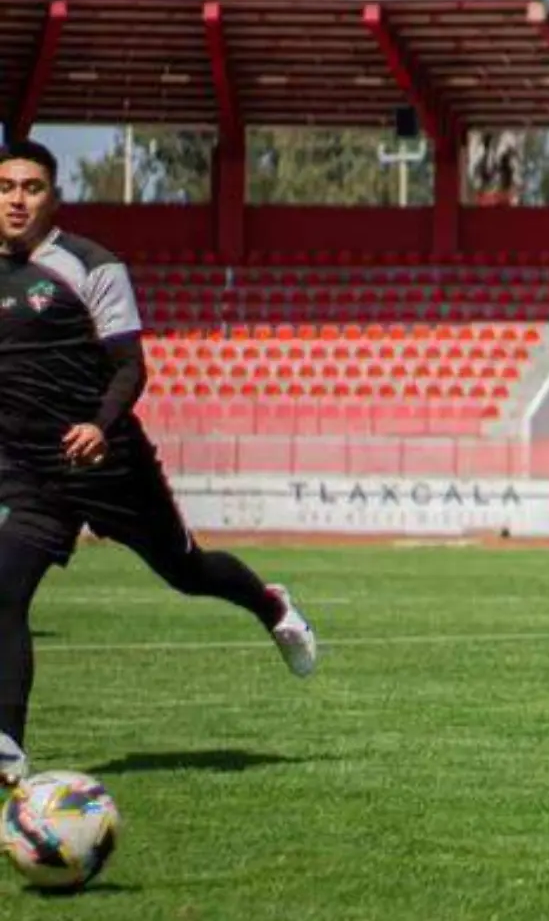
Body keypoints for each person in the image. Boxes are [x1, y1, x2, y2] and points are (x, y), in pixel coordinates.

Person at [0, 139, 317, 784]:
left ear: (52, 198)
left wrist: (100, 424)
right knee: (3, 595)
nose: (16, 199)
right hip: (34, 474)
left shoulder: (92, 265)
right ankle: (7, 747)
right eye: (6, 187)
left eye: (32, 187)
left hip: (109, 462)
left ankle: (270, 604)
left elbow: (130, 367)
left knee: (188, 571)